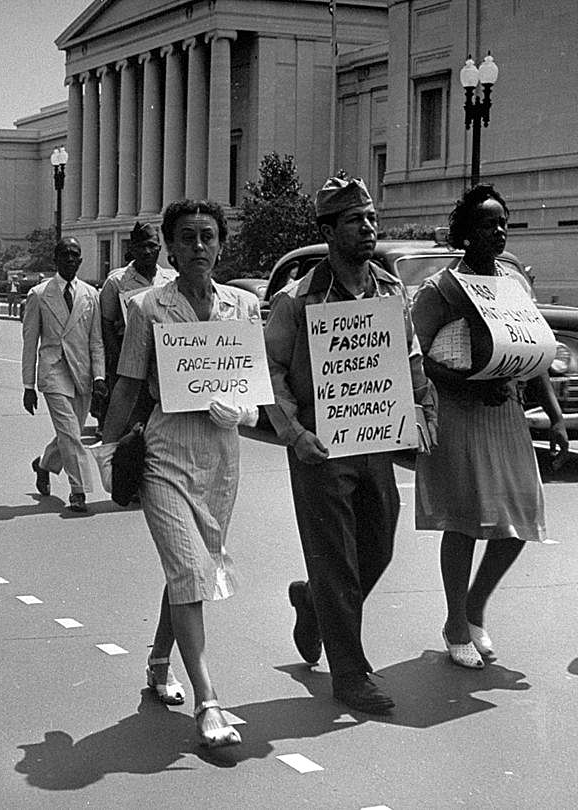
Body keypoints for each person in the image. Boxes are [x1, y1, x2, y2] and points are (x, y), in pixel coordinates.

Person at [264, 177, 436, 714]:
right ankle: (351, 674)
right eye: (355, 220)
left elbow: (408, 356)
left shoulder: (390, 289)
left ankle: (313, 601)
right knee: (335, 557)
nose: (368, 228)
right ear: (329, 230)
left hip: (374, 437)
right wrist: (293, 432)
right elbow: (268, 369)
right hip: (319, 442)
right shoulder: (297, 300)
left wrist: (422, 406)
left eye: (370, 218)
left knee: (378, 543)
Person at [101, 200, 259, 749]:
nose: (198, 247)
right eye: (187, 237)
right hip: (166, 454)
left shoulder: (243, 306)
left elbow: (252, 386)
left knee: (190, 570)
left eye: (208, 236)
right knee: (191, 569)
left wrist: (244, 410)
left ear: (221, 245)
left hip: (221, 458)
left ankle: (157, 661)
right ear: (170, 246)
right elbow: (126, 383)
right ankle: (209, 701)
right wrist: (106, 444)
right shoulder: (146, 307)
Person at [411, 184, 568, 668]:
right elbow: (413, 356)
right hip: (459, 413)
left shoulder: (514, 280)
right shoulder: (441, 290)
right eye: (487, 223)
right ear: (465, 233)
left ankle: (475, 606)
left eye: (503, 222)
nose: (498, 231)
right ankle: (457, 624)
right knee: (463, 521)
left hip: (506, 414)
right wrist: (465, 383)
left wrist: (555, 415)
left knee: (520, 520)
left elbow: (532, 349)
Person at [22, 237, 107, 513]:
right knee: (70, 433)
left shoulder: (91, 295)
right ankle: (78, 490)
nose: (71, 259)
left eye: (75, 255)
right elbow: (30, 341)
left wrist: (99, 377)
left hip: (81, 372)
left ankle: (44, 464)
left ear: (81, 260)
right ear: (56, 260)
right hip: (54, 369)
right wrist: (28, 385)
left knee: (69, 432)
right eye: (65, 255)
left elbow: (96, 341)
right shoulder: (39, 294)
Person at [99, 222, 177, 428]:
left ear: (160, 248)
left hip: (165, 360)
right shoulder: (117, 281)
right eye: (141, 246)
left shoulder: (171, 279)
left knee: (162, 420)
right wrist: (117, 360)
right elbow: (106, 324)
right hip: (130, 357)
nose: (147, 251)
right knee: (132, 422)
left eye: (152, 246)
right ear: (131, 249)